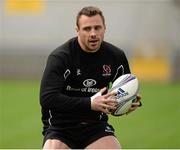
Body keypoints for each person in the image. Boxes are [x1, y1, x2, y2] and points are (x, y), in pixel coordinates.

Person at [40, 6, 142, 149]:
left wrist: (127, 103)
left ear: (104, 28)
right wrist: (90, 103)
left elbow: (119, 96)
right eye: (87, 29)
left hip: (95, 127)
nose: (93, 33)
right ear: (77, 30)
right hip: (60, 128)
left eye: (97, 28)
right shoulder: (61, 57)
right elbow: (47, 98)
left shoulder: (115, 56)